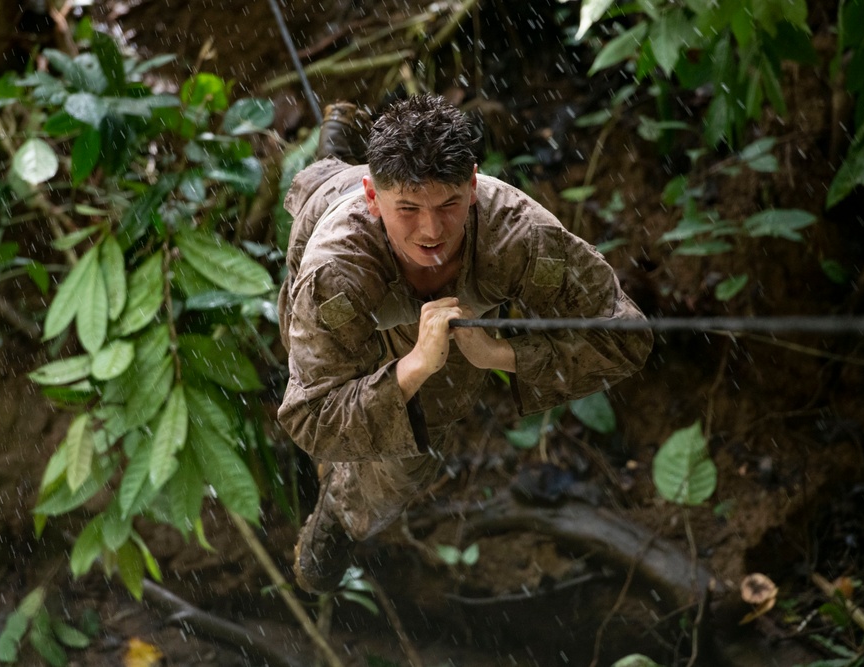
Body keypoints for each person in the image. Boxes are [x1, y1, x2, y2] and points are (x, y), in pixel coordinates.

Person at [277, 93, 653, 594]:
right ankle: (335, 160)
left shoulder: (519, 234)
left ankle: (341, 516)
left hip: (451, 318)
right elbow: (310, 415)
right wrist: (412, 366)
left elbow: (625, 339)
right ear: (375, 198)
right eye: (408, 209)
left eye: (448, 205)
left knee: (408, 457)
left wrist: (500, 354)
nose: (431, 230)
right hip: (327, 224)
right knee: (319, 190)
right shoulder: (332, 270)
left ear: (473, 186)